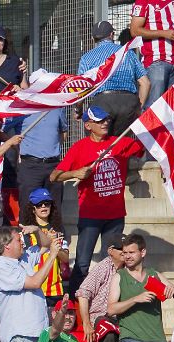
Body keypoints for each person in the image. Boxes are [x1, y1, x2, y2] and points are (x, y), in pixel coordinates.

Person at [50, 106, 143, 296]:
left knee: (112, 262)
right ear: (88, 125)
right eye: (100, 121)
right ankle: (74, 303)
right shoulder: (79, 148)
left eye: (106, 120)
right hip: (90, 216)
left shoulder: (120, 141)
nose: (105, 123)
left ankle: (107, 301)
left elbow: (144, 144)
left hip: (116, 215)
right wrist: (75, 173)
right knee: (83, 262)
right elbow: (54, 176)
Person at [80, 21, 148, 136]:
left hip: (102, 102)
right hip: (128, 102)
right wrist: (138, 107)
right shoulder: (128, 53)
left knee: (98, 143)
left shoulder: (86, 58)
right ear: (111, 35)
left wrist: (78, 109)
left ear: (93, 38)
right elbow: (145, 83)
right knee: (122, 145)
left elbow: (82, 87)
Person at [130, 0, 174, 105]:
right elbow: (135, 30)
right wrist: (163, 33)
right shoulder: (143, 2)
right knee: (155, 106)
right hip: (156, 60)